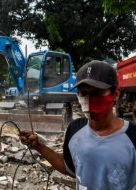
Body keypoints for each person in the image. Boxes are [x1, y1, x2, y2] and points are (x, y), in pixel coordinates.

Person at [19, 60, 136, 189]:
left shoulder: (133, 136)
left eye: (96, 93)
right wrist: (39, 146)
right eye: (83, 93)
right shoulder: (75, 129)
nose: (89, 100)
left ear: (115, 95)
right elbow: (69, 167)